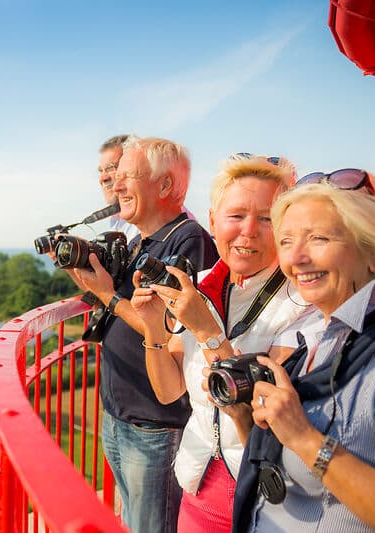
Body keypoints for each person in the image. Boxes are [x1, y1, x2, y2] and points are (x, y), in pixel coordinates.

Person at [128, 154, 313, 532]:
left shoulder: (302, 301)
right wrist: (152, 329)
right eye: (236, 216)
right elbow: (168, 391)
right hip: (197, 480)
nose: (248, 231)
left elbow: (266, 412)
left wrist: (207, 331)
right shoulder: (202, 283)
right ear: (212, 221)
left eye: (266, 218)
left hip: (262, 492)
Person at [232, 170, 375, 532]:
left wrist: (304, 437)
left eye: (319, 238)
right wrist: (243, 417)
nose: (296, 258)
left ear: (372, 249)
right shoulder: (325, 332)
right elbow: (290, 467)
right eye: (286, 241)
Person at [73, 135, 218, 533]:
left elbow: (178, 332)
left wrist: (106, 295)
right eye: (114, 177)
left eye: (127, 177)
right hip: (120, 414)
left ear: (166, 185)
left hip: (155, 423)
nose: (116, 186)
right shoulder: (141, 242)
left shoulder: (189, 240)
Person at [98, 135, 140, 242]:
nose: (103, 178)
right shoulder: (117, 218)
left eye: (111, 168)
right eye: (100, 170)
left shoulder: (154, 217)